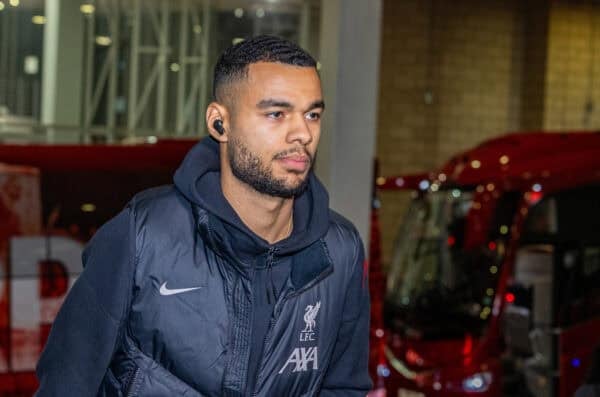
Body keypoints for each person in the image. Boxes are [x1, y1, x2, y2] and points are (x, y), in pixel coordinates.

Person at [35, 35, 372, 396]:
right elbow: (66, 383)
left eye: (312, 114)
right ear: (219, 123)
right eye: (276, 114)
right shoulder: (143, 236)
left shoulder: (340, 251)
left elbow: (343, 388)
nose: (303, 133)